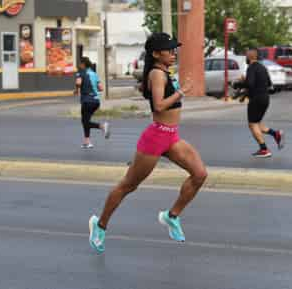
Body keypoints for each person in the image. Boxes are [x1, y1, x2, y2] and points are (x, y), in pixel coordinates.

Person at [88, 33, 208, 254]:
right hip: (155, 138)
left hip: (171, 136)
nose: (173, 54)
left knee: (200, 174)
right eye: (169, 50)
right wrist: (182, 91)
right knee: (128, 185)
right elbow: (159, 106)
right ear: (155, 54)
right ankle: (100, 224)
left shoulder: (163, 72)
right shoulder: (156, 74)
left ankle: (171, 216)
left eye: (174, 50)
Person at [237, 48, 285, 158]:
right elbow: (269, 83)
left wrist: (241, 83)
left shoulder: (251, 68)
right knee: (257, 123)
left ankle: (264, 149)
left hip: (256, 99)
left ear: (249, 57)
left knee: (252, 124)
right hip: (265, 98)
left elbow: (250, 84)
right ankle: (276, 134)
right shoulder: (263, 68)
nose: (245, 58)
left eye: (246, 56)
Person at [75, 57, 110, 148]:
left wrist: (76, 89)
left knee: (85, 122)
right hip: (96, 101)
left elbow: (78, 83)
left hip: (87, 100)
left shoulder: (81, 73)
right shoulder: (94, 74)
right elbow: (101, 88)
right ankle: (87, 142)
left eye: (79, 63)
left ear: (83, 64)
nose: (79, 65)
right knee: (85, 121)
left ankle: (102, 126)